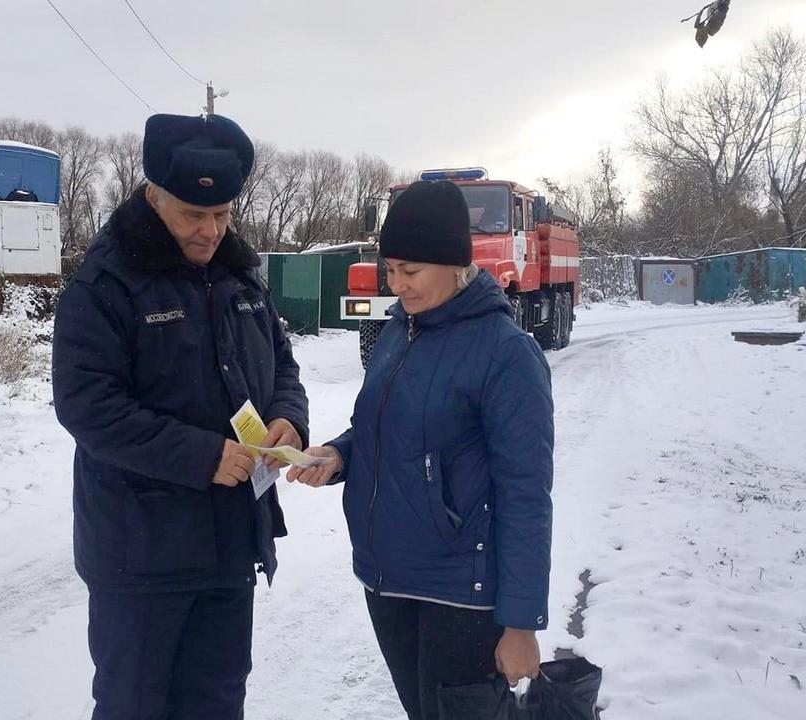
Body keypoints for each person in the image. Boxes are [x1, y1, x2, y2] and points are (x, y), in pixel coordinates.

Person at [52, 113, 309, 720]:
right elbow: (87, 405)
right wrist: (201, 456)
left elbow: (282, 366)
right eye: (194, 216)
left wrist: (288, 419)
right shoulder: (106, 284)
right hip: (140, 552)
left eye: (222, 214)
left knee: (217, 702)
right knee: (135, 705)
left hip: (228, 543)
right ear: (152, 196)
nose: (211, 231)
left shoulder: (241, 274)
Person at [287, 180, 553, 720]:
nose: (396, 285)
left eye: (410, 272)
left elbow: (526, 495)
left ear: (454, 264)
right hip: (388, 580)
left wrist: (521, 622)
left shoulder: (506, 353)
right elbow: (382, 429)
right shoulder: (400, 332)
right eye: (390, 270)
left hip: (461, 592)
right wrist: (339, 455)